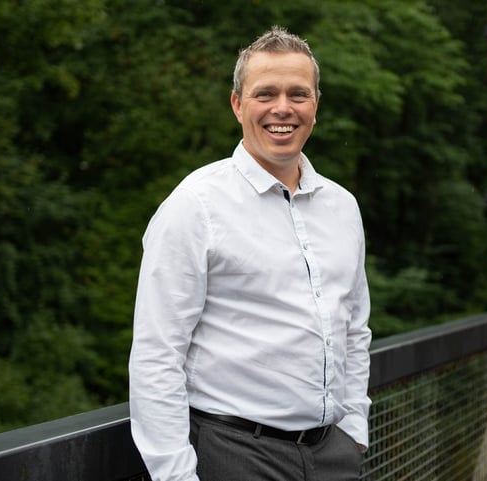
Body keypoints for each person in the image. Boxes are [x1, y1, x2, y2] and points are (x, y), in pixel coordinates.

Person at [129, 25, 372, 481]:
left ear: (315, 106)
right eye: (266, 94)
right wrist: (175, 475)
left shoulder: (343, 207)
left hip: (333, 456)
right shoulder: (194, 205)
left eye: (298, 94)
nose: (283, 108)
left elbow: (354, 328)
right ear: (238, 104)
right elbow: (156, 354)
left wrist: (354, 427)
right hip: (236, 455)